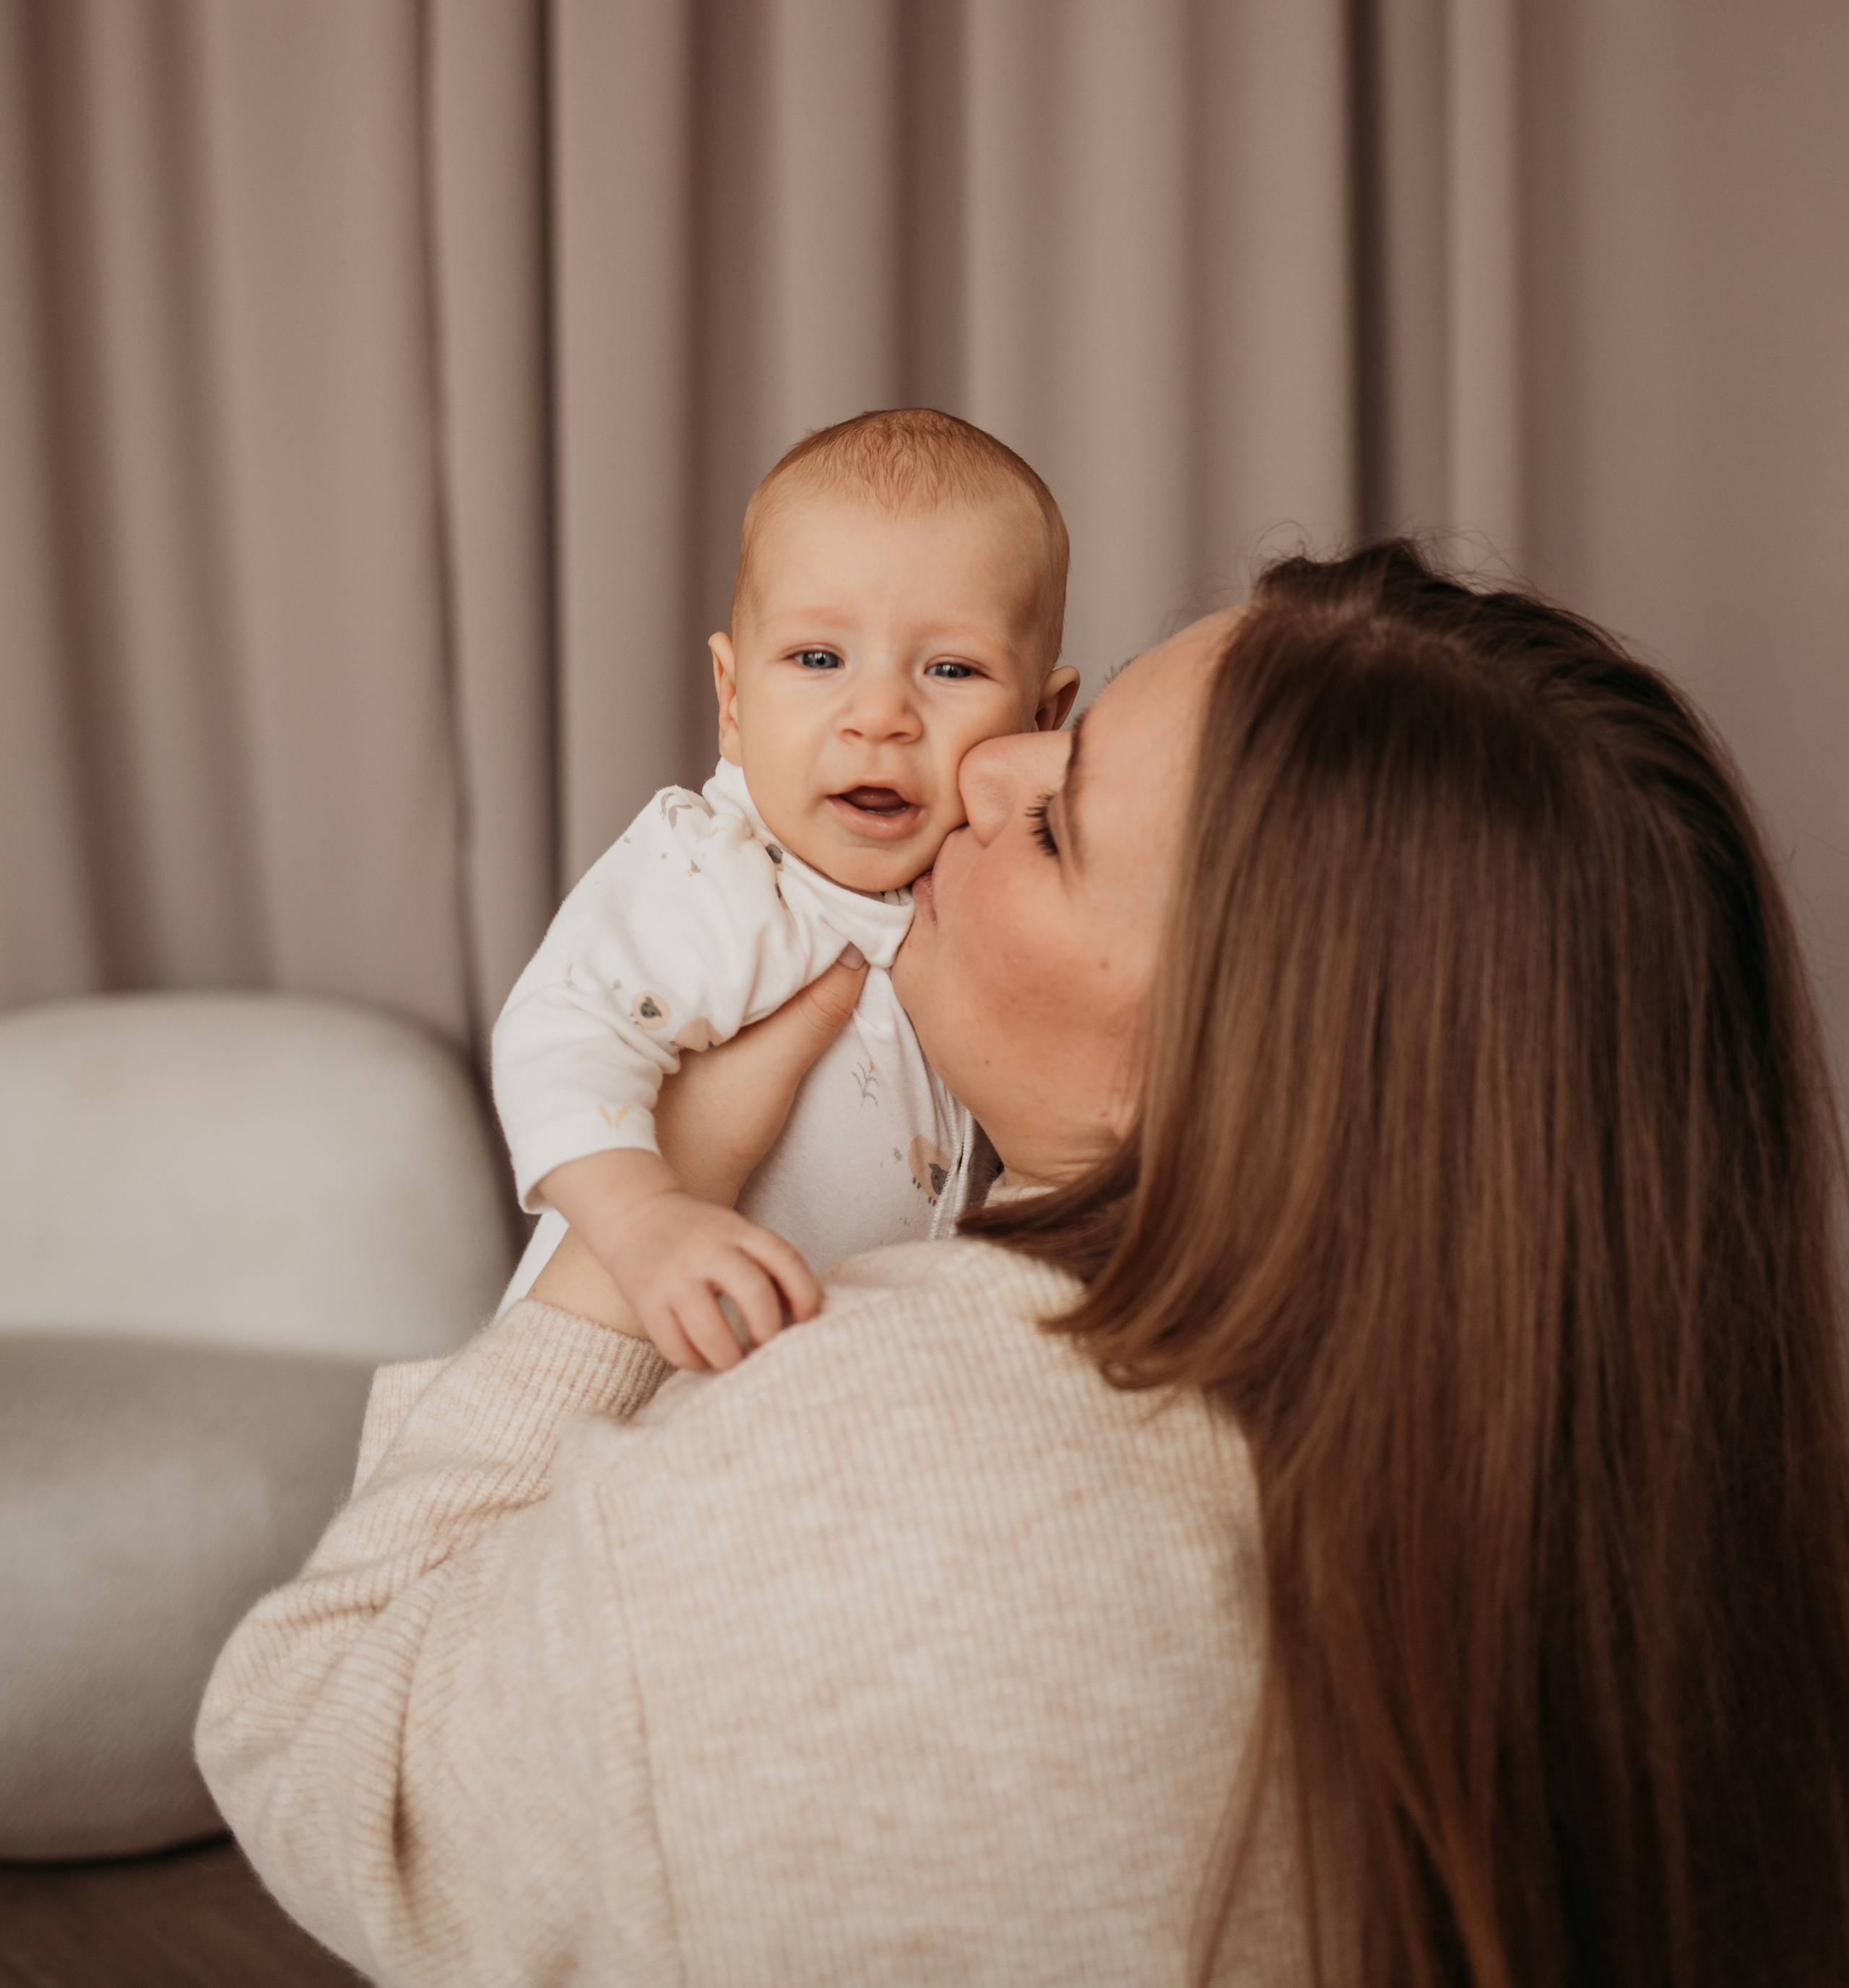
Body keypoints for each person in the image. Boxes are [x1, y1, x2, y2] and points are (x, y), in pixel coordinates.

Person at [198, 544, 1849, 1985]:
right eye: (1057, 731)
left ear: (1249, 1064)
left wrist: (626, 1234)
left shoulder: (866, 1469)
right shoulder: (1659, 1539)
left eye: (1055, 823)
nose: (976, 770)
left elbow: (323, 1738)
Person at [493, 407, 1078, 1364]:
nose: (880, 715)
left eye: (952, 668)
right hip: (635, 1356)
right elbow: (555, 1037)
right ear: (732, 701)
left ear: (1043, 719)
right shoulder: (715, 872)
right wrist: (646, 1223)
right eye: (818, 659)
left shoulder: (991, 908)